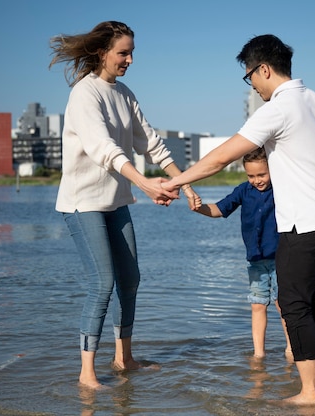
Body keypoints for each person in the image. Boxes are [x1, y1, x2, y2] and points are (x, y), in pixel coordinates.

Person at [163, 34, 315, 405]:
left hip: (303, 223)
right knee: (310, 297)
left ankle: (311, 393)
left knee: (293, 303)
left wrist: (175, 181)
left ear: (263, 69)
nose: (252, 84)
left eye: (249, 77)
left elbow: (219, 158)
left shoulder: (277, 109)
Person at [49, 21, 197, 390]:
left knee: (130, 281)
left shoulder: (125, 93)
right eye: (123, 53)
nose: (130, 60)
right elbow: (105, 150)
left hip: (115, 202)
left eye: (132, 53)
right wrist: (146, 183)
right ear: (102, 52)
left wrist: (184, 182)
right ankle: (87, 375)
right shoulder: (85, 95)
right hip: (82, 204)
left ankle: (123, 359)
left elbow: (151, 142)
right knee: (102, 283)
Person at [195, 147, 292, 362]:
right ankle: (259, 354)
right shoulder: (243, 191)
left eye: (261, 175)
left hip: (281, 258)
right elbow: (219, 209)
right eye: (251, 175)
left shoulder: (282, 189)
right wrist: (199, 207)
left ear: (272, 170)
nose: (256, 180)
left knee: (283, 305)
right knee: (257, 305)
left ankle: (291, 349)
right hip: (256, 260)